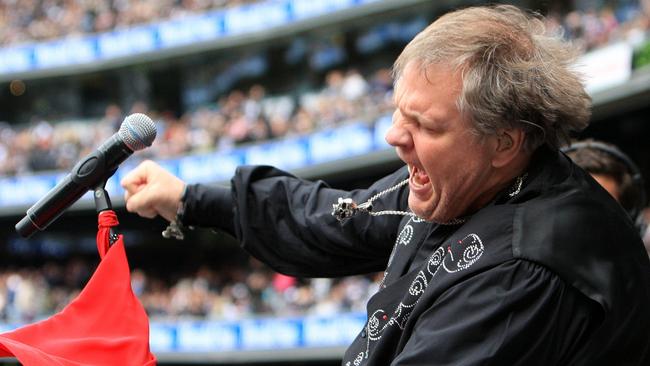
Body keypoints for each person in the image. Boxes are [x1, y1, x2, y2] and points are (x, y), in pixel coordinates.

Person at [121, 5, 650, 365]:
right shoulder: (464, 181)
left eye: (427, 125)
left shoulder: (523, 273)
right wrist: (191, 200)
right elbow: (336, 217)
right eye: (400, 113)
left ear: (506, 142)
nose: (395, 136)